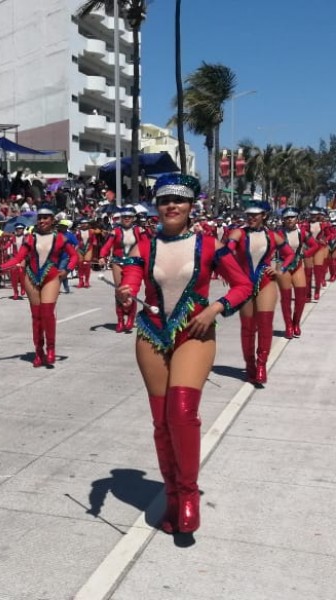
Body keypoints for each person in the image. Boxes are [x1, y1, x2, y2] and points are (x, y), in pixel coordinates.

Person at [115, 174, 253, 534]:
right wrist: (126, 292)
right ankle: (172, 496)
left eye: (179, 200)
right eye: (164, 201)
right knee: (161, 422)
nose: (171, 206)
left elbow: (243, 285)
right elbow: (130, 278)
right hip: (151, 334)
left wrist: (215, 309)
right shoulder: (144, 247)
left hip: (195, 332)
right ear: (156, 207)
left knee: (180, 412)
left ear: (192, 206)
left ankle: (189, 496)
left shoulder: (210, 246)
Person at [0, 206, 79, 367]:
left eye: (46, 218)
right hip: (31, 277)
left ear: (53, 220)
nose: (42, 221)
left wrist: (66, 270)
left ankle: (51, 349)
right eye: (40, 218)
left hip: (51, 277)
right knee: (36, 317)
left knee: (47, 313)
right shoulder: (30, 238)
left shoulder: (60, 238)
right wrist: (0, 267)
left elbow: (74, 256)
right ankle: (39, 352)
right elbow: (18, 258)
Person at [227, 201, 294, 385]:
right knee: (248, 327)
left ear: (264, 215)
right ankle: (250, 366)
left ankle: (262, 365)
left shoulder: (273, 236)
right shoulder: (238, 233)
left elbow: (289, 254)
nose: (251, 217)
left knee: (265, 325)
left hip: (266, 282)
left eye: (255, 214)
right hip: (243, 284)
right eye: (249, 214)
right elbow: (225, 253)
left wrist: (280, 270)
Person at [99, 204, 148, 332]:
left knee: (132, 292)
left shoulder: (139, 230)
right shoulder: (115, 231)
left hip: (134, 262)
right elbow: (107, 245)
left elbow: (146, 245)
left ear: (133, 218)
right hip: (118, 261)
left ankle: (131, 319)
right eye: (124, 216)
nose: (127, 219)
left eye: (129, 217)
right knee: (119, 291)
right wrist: (102, 256)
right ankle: (120, 320)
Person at [276, 207, 318, 339]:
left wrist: (305, 254)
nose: (289, 220)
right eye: (287, 217)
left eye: (292, 217)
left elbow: (314, 245)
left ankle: (296, 323)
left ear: (297, 219)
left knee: (300, 297)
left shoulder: (303, 232)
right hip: (283, 266)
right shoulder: (278, 233)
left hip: (298, 266)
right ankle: (288, 326)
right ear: (283, 219)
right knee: (286, 298)